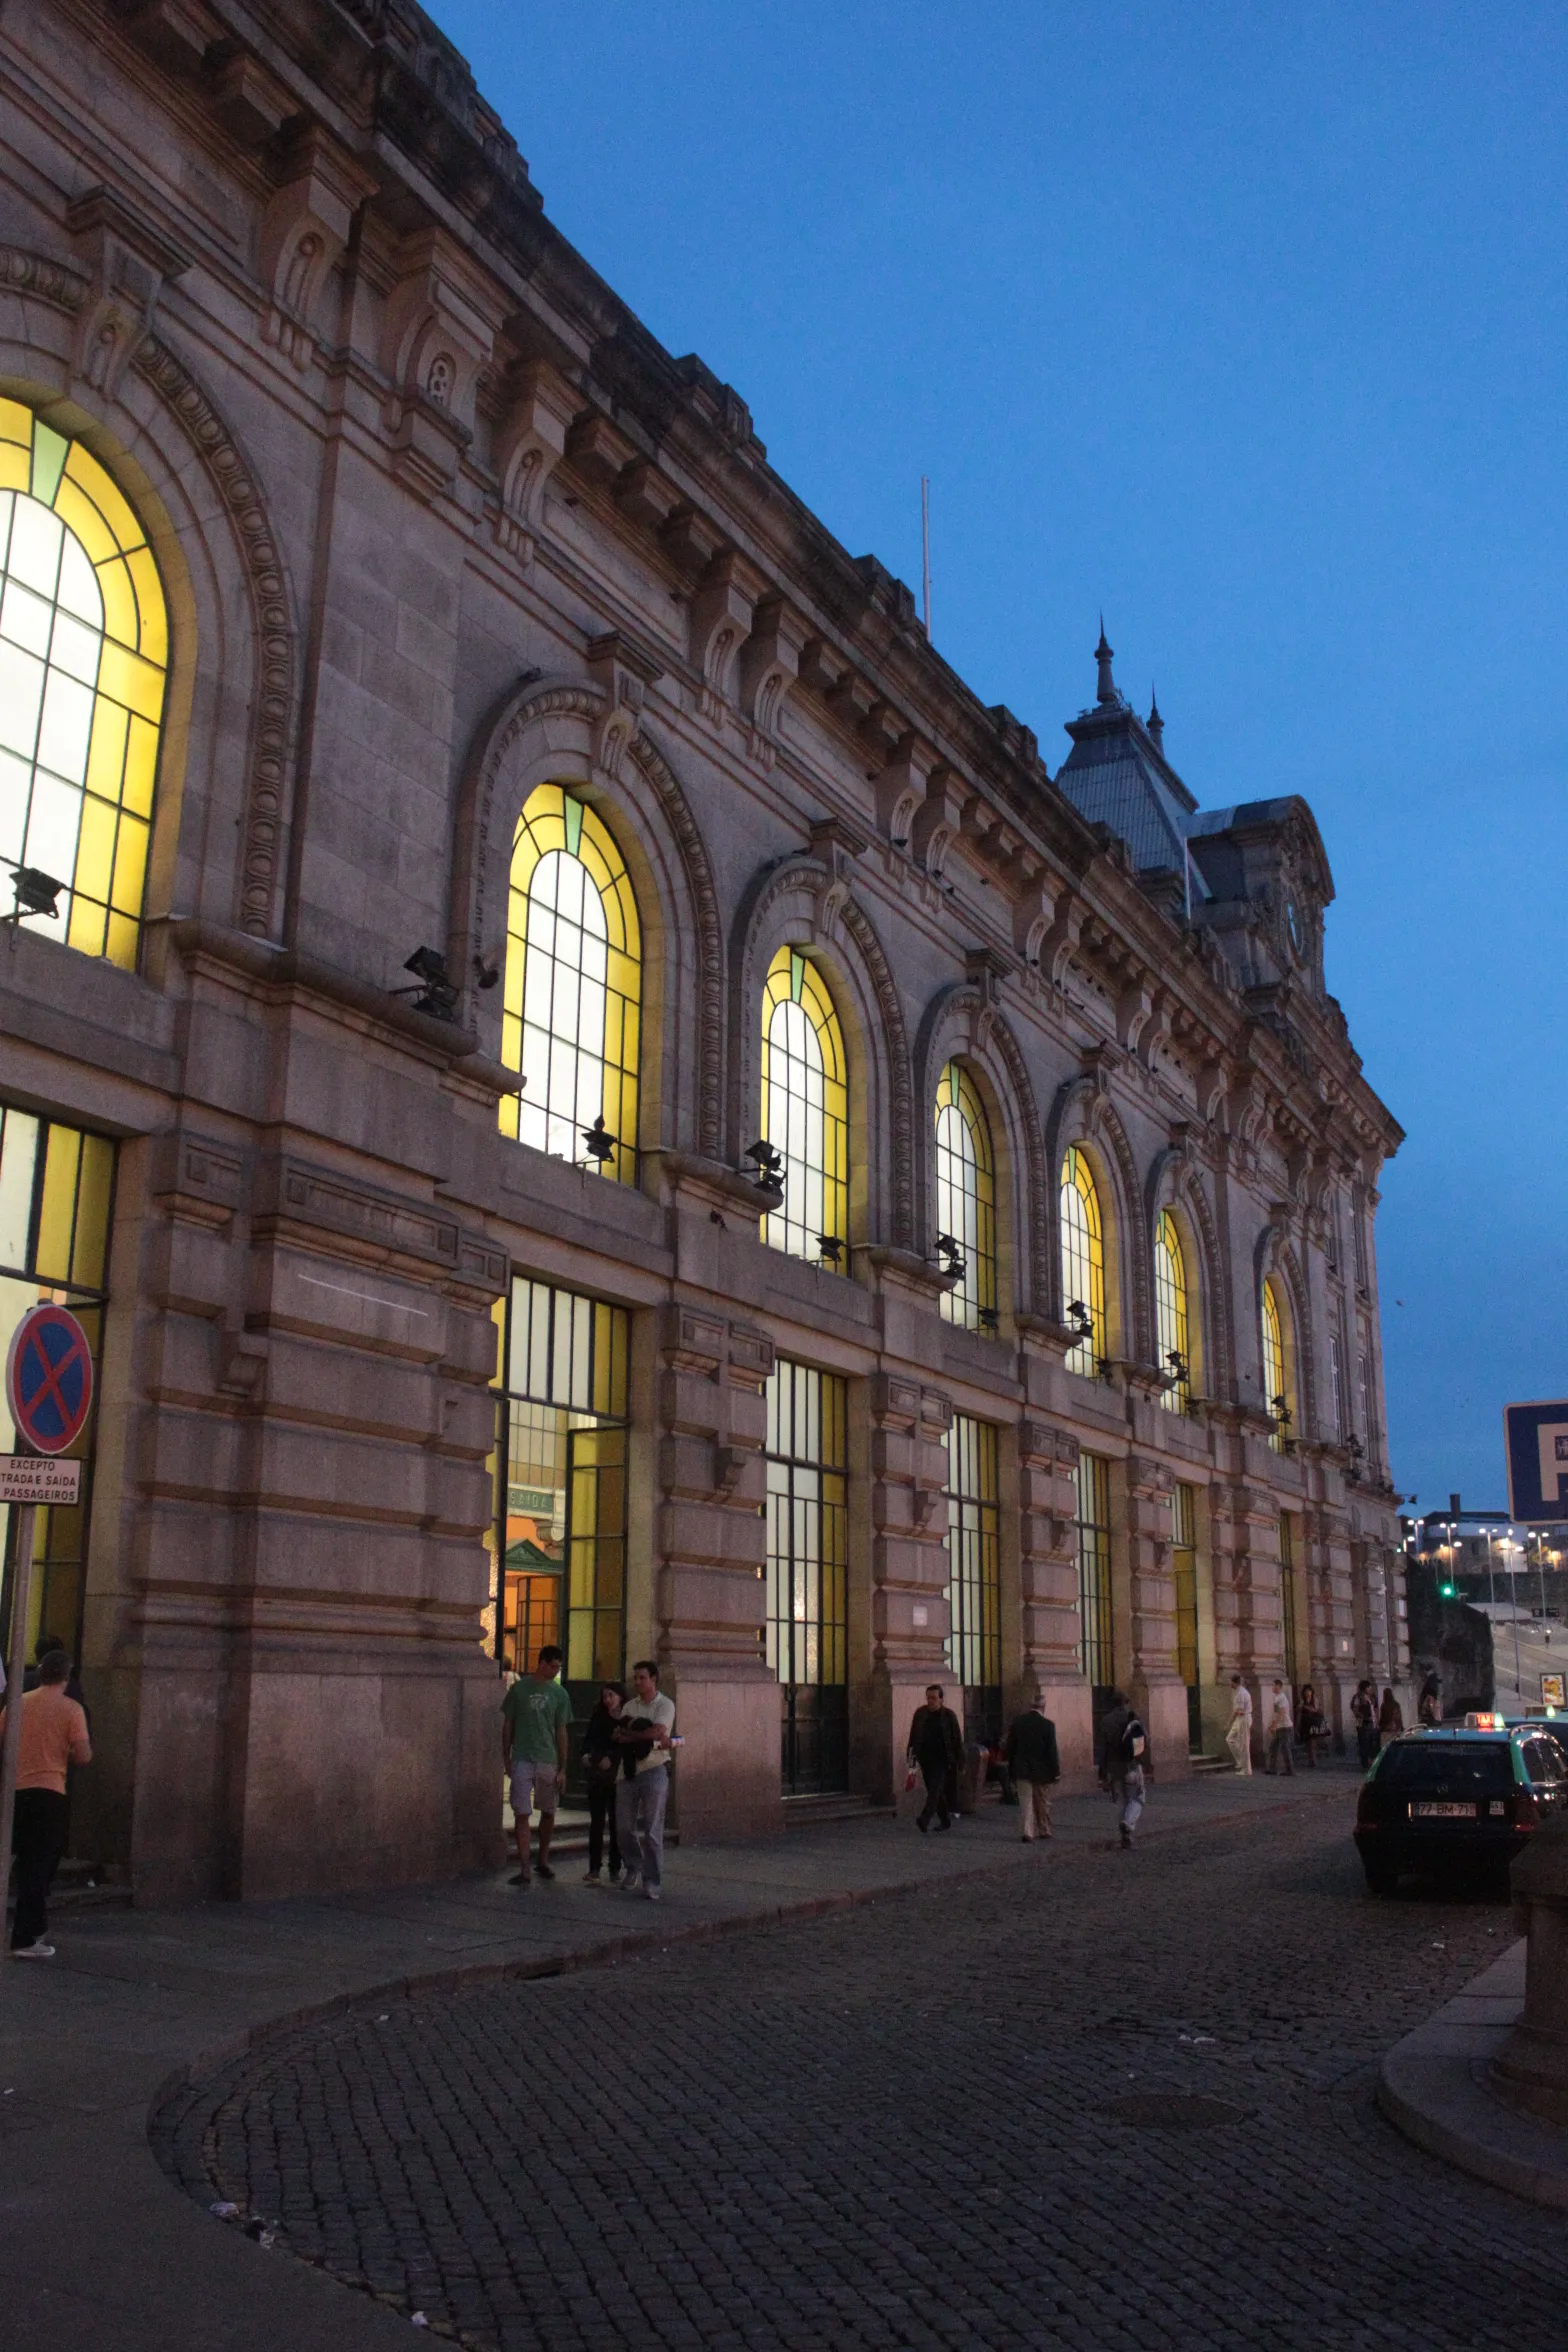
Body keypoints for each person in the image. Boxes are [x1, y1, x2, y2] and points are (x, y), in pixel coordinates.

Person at [0, 1649, 91, 1958]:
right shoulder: (71, 1710)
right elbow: (83, 1755)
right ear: (66, 1676)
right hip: (49, 1793)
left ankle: (31, 1929)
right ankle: (26, 1937)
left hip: (15, 1791)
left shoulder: (15, 1705)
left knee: (15, 1860)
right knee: (38, 1867)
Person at [501, 1643, 573, 1886]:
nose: (555, 1670)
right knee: (522, 1812)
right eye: (553, 1666)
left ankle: (542, 1858)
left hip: (547, 1758)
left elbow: (561, 1730)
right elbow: (508, 1724)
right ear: (542, 1663)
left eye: (558, 1667)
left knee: (549, 1811)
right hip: (523, 1756)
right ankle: (524, 1867)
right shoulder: (520, 1689)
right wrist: (506, 1757)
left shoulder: (559, 1694)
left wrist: (563, 1767)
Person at [614, 1659, 676, 1900]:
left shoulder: (665, 1705)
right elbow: (619, 1734)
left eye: (642, 1678)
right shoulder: (630, 1705)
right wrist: (638, 1737)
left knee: (652, 1829)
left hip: (655, 1767)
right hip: (628, 1770)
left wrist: (631, 1735)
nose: (638, 1682)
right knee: (623, 1827)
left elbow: (658, 1732)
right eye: (635, 1678)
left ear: (653, 1679)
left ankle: (652, 1880)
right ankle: (633, 1865)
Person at [580, 1681, 626, 1886]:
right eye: (605, 1696)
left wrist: (612, 1758)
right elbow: (589, 1741)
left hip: (618, 1775)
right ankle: (594, 1867)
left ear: (620, 1696)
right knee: (597, 1822)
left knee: (617, 1823)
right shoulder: (598, 1716)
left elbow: (627, 1746)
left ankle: (615, 1867)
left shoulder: (627, 1718)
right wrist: (588, 1756)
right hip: (598, 1774)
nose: (608, 1700)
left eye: (611, 1696)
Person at [1002, 1690, 1060, 1842]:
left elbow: (1010, 1745)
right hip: (1042, 1770)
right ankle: (1044, 1829)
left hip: (1022, 1768)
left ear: (1030, 1706)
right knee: (1043, 1802)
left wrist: (1008, 1760)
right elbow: (1052, 1751)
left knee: (1025, 1802)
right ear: (1043, 1707)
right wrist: (1056, 1772)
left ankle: (1027, 1832)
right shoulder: (1048, 1725)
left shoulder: (1018, 1722)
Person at [906, 1684, 963, 1832]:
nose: (931, 1701)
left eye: (934, 1698)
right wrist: (911, 1761)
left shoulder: (949, 1716)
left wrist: (960, 1761)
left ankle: (924, 1819)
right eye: (928, 1698)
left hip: (943, 1759)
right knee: (935, 1791)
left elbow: (957, 1739)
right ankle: (945, 1820)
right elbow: (913, 1738)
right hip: (925, 1759)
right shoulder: (920, 1714)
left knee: (934, 1790)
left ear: (941, 1699)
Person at [1097, 1688, 1149, 1849]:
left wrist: (1103, 1773)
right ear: (1127, 1702)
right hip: (1132, 1765)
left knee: (1122, 1801)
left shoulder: (1105, 1720)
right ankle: (1128, 1824)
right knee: (1138, 1797)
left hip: (1114, 1768)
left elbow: (1103, 1749)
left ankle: (1125, 1836)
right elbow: (1144, 1740)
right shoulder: (1132, 1717)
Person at [1264, 1678, 1295, 1776]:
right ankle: (1272, 1768)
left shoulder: (1281, 1697)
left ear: (1278, 1686)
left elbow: (1282, 1712)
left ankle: (1290, 1770)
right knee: (1273, 1747)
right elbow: (1276, 1713)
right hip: (1280, 1726)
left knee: (1284, 1748)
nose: (1272, 1688)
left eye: (1274, 1685)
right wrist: (1273, 1724)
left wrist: (1274, 1725)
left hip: (1284, 1726)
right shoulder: (1277, 1697)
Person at [1225, 1673, 1254, 1775]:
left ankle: (1247, 1769)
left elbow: (1239, 1711)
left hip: (1243, 1718)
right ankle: (1241, 1762)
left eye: (1230, 1682)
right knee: (1230, 1739)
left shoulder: (1240, 1693)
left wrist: (1229, 1722)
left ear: (1234, 1682)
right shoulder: (1238, 1692)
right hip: (1240, 1719)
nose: (1229, 1684)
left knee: (1244, 1744)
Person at [1295, 1682, 1328, 1767]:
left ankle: (1313, 1760)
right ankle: (1310, 1759)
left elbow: (1317, 1710)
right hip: (1305, 1723)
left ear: (1312, 1692)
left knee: (1313, 1742)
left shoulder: (1315, 1700)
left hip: (1313, 1723)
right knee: (1307, 1743)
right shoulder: (1302, 1701)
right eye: (1306, 1691)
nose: (1308, 1693)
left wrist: (1309, 1708)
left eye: (1309, 1691)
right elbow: (1298, 1711)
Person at [1351, 1679, 1378, 1769]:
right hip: (1363, 1723)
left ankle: (1370, 1761)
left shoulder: (1370, 1697)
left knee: (1371, 1743)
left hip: (1371, 1722)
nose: (1370, 1689)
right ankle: (1365, 1762)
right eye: (1369, 1687)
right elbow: (1355, 1708)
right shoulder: (1358, 1697)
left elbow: (1374, 1708)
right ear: (1365, 1687)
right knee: (1364, 1743)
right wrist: (1361, 1716)